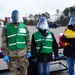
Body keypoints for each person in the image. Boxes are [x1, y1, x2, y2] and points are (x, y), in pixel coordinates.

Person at [1, 10, 31, 75]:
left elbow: (28, 40)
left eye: (16, 16)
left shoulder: (24, 27)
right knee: (13, 73)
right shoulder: (6, 28)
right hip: (12, 56)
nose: (15, 17)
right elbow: (4, 42)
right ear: (12, 17)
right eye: (14, 16)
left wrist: (29, 51)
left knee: (24, 73)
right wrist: (5, 54)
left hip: (23, 55)